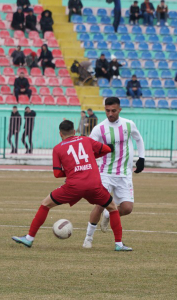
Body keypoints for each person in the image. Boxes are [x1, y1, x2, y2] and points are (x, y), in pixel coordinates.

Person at [11, 120, 131, 251]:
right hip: (94, 185)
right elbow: (107, 149)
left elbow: (57, 173)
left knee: (45, 204)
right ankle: (119, 244)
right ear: (74, 132)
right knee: (113, 208)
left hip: (73, 186)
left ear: (60, 134)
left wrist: (72, 170)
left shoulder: (57, 148)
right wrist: (91, 157)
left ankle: (29, 238)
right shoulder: (86, 140)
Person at [84, 96, 145, 246]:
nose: (110, 114)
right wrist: (101, 149)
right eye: (107, 110)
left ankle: (108, 213)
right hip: (105, 173)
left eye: (113, 111)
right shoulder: (99, 128)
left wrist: (142, 158)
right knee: (99, 205)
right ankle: (88, 239)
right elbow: (89, 148)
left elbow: (139, 139)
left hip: (124, 174)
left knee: (127, 208)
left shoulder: (129, 125)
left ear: (119, 110)